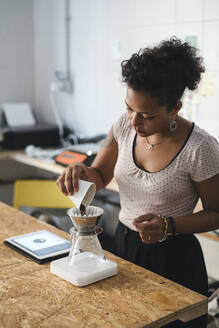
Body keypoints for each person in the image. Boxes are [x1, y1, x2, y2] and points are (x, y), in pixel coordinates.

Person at [57, 37, 219, 327]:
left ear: (175, 108)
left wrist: (168, 225)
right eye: (129, 108)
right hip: (124, 245)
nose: (133, 121)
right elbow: (101, 176)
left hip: (175, 258)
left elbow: (217, 213)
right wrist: (80, 171)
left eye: (145, 115)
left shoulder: (201, 148)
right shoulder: (122, 126)